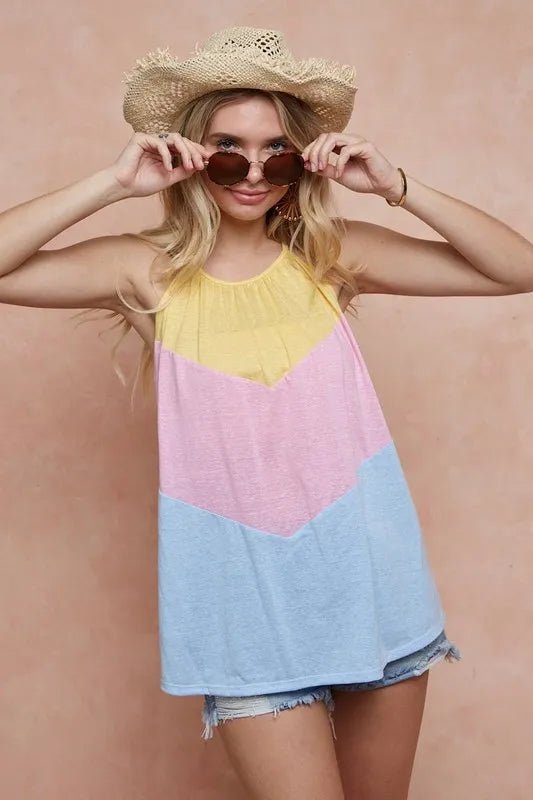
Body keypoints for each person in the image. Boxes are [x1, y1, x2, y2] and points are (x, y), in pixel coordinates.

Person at [2, 24, 532, 800]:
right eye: (227, 150)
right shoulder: (148, 272)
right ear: (190, 154)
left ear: (302, 161)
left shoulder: (329, 256)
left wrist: (395, 185)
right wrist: (111, 185)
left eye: (276, 153)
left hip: (371, 585)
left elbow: (517, 269)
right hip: (242, 606)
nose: (252, 173)